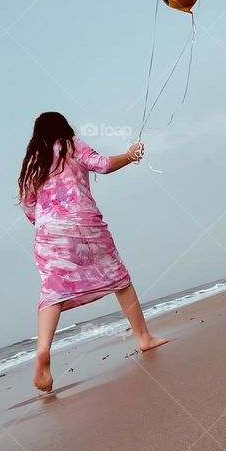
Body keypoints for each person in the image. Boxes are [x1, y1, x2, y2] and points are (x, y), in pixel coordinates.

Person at [18, 112, 168, 392]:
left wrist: (46, 223)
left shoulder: (32, 162)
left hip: (49, 231)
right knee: (119, 278)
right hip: (84, 223)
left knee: (53, 291)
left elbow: (28, 204)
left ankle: (43, 350)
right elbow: (103, 165)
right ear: (64, 127)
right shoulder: (72, 144)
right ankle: (144, 338)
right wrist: (131, 155)